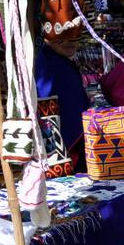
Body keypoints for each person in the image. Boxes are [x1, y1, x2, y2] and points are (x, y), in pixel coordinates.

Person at [34, 29, 91, 165]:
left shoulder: (60, 61)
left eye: (73, 37)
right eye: (61, 37)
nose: (68, 42)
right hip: (61, 144)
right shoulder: (48, 65)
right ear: (47, 37)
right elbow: (46, 109)